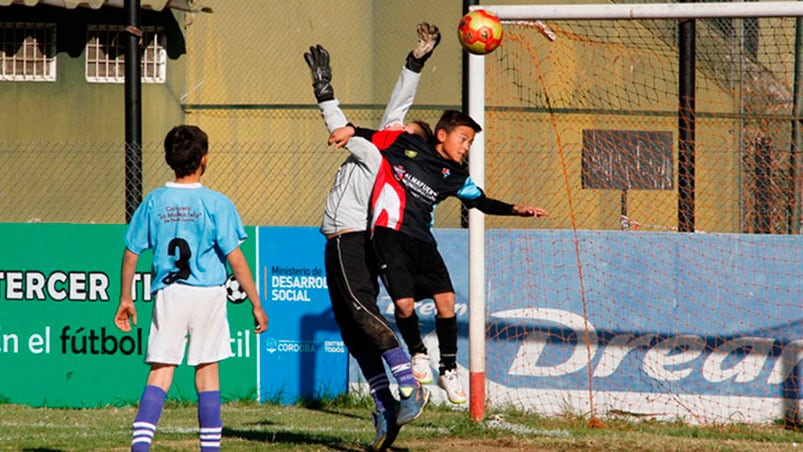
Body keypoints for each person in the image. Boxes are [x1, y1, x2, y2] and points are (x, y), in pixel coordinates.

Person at [334, 110, 549, 405]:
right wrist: (351, 130)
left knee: (446, 300)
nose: (466, 147)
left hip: (422, 240)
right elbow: (375, 136)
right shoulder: (405, 145)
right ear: (442, 135)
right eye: (463, 139)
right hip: (388, 234)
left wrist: (515, 209)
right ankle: (418, 352)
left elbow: (480, 201)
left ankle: (448, 369)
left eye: (470, 143)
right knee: (403, 304)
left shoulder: (456, 176)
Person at [304, 23, 438, 452]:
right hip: (339, 241)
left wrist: (324, 91)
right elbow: (401, 101)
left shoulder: (381, 152)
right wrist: (417, 60)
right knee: (351, 328)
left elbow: (340, 124)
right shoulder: (384, 145)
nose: (396, 125)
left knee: (362, 311)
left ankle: (408, 384)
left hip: (353, 239)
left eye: (405, 129)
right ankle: (383, 403)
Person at [113, 125, 269, 452]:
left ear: (170, 159)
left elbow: (131, 253)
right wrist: (255, 302)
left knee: (161, 371)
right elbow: (235, 256)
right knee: (208, 371)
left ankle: (140, 448)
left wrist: (126, 298)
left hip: (169, 293)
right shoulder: (217, 202)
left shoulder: (155, 200)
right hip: (207, 293)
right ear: (204, 159)